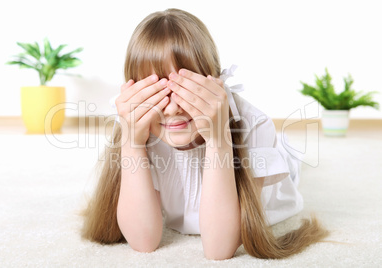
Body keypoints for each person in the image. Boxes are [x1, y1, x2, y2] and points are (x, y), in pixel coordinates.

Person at [81, 8, 328, 260]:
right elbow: (143, 241)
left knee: (291, 156)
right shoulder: (142, 125)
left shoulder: (255, 125)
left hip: (273, 173)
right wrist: (132, 143)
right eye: (158, 92)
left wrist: (218, 139)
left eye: (185, 90)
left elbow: (219, 249)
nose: (172, 109)